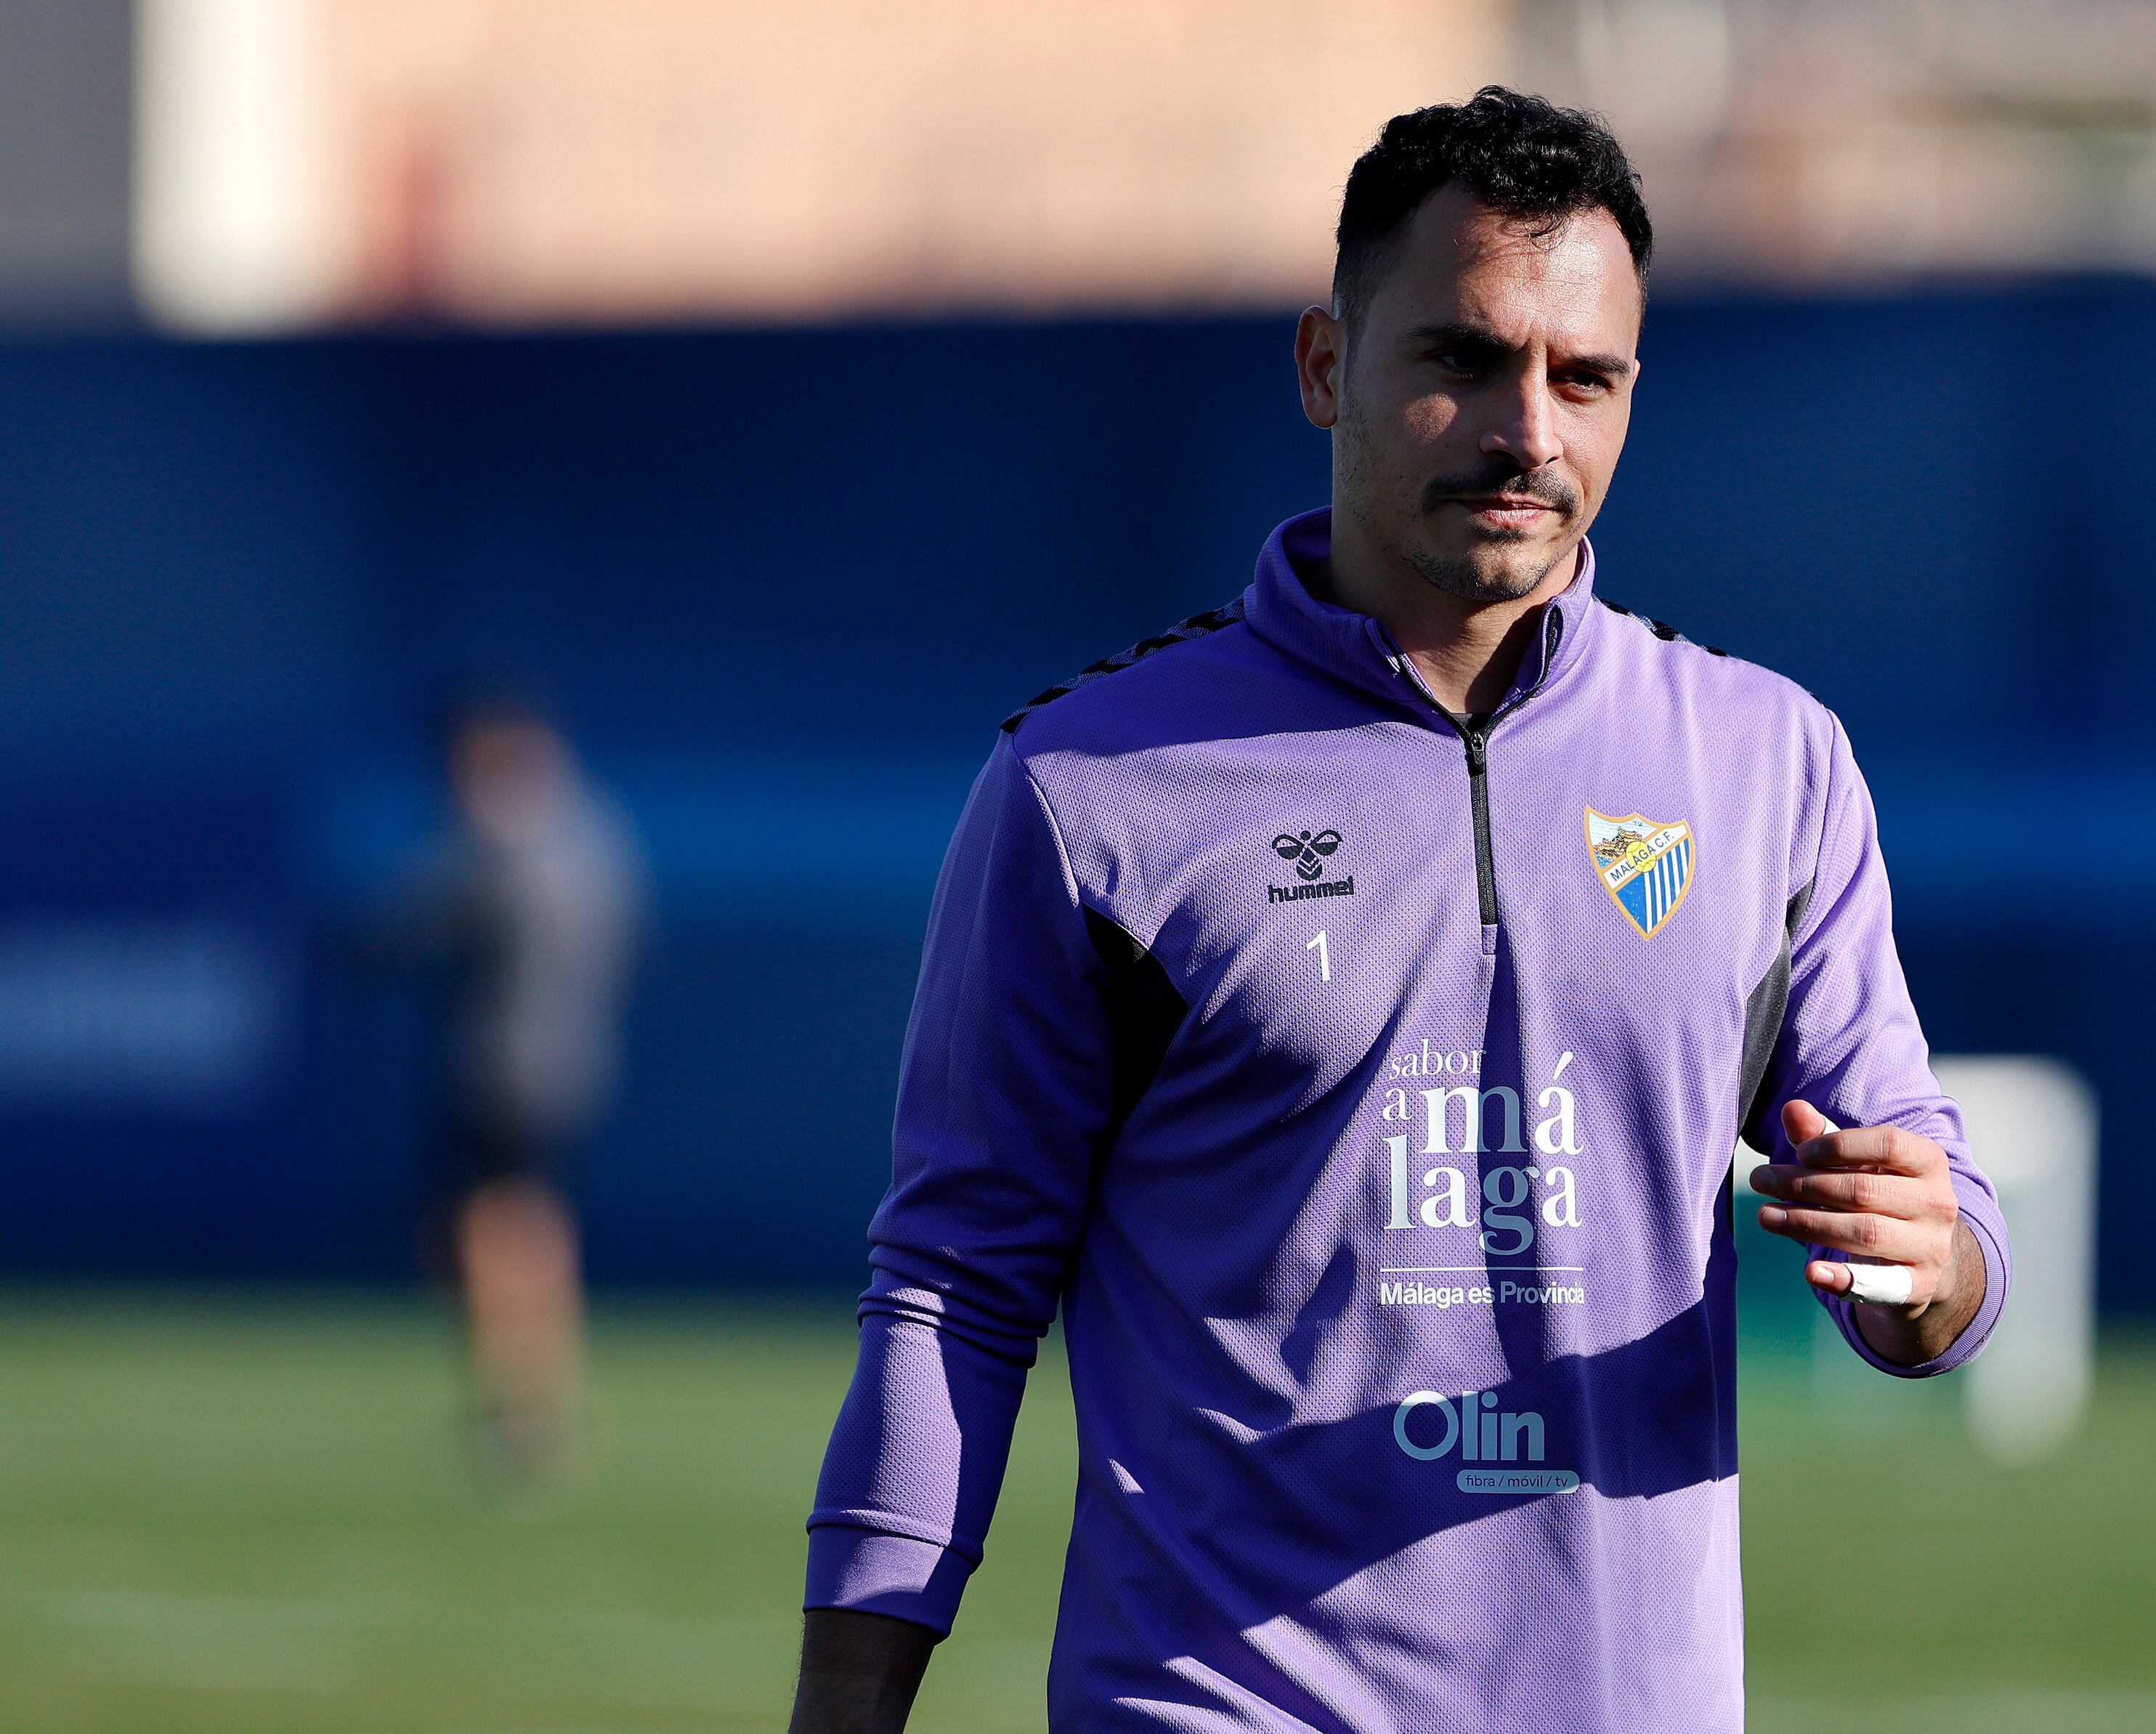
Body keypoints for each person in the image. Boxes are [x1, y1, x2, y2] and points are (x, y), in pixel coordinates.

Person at [790, 88, 2006, 1733]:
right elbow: (953, 1287)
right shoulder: (1090, 789)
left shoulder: (1768, 767)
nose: (1529, 431)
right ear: (1321, 367)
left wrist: (1927, 1265)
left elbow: (1936, 1249)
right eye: (1459, 360)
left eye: (1585, 379)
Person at [411, 697, 645, 1486]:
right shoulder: (597, 840)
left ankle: (518, 1400)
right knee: (534, 1221)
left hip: (502, 1065)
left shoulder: (507, 847)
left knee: (490, 1226)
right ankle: (543, 1392)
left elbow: (425, 922)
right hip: (572, 1063)